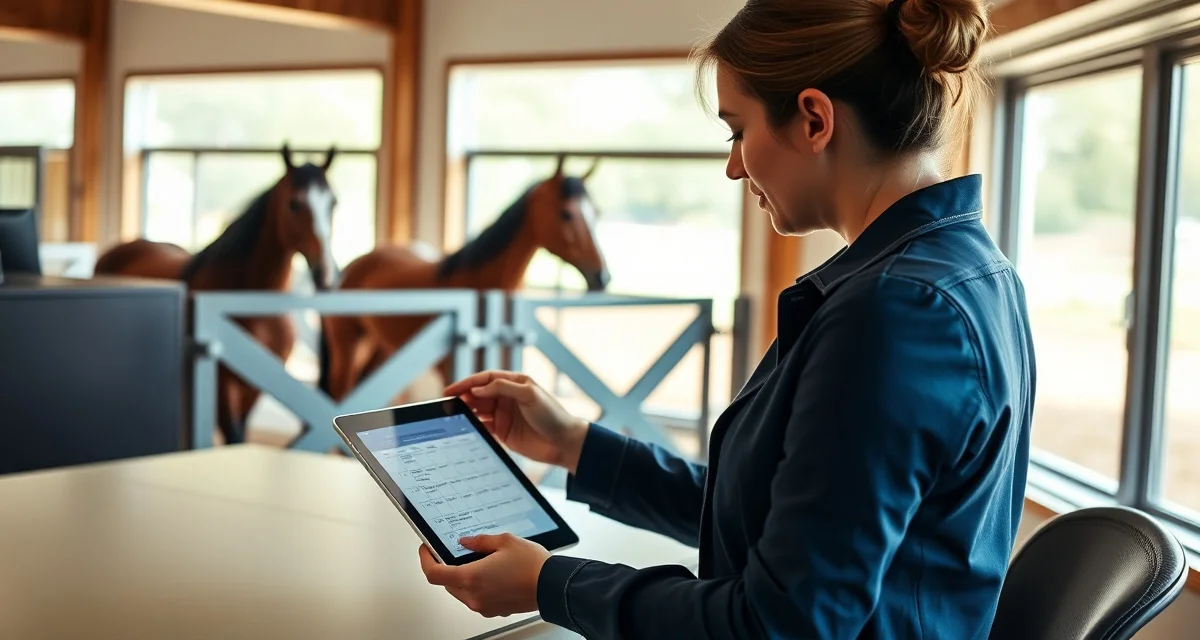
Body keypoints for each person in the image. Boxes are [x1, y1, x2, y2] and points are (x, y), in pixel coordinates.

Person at [418, 0, 1036, 637]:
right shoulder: (970, 272)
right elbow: (782, 521)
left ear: (815, 120)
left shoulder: (893, 314)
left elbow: (779, 623)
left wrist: (550, 584)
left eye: (737, 130)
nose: (734, 164)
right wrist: (576, 445)